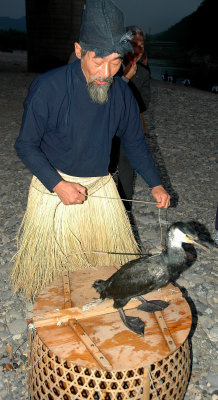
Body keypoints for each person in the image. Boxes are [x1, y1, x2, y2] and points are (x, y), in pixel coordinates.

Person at [12, 0, 170, 299]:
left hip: (100, 187)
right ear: (78, 50)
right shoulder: (49, 88)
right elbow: (26, 144)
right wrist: (57, 184)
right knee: (57, 278)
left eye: (115, 62)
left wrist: (156, 184)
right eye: (98, 61)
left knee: (105, 271)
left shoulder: (122, 91)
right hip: (56, 188)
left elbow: (134, 141)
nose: (107, 72)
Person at [110, 26, 151, 210]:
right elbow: (104, 98)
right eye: (134, 44)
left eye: (141, 45)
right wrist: (125, 78)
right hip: (108, 125)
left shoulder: (143, 72)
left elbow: (144, 103)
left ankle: (124, 208)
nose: (137, 49)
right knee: (107, 164)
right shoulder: (111, 66)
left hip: (130, 127)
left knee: (127, 167)